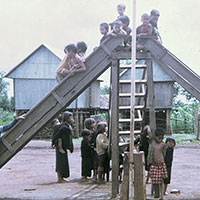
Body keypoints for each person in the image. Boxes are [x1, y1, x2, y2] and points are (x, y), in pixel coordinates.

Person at [52, 111, 74, 183]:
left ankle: (62, 177)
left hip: (63, 147)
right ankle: (59, 178)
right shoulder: (63, 127)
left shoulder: (66, 126)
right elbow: (57, 136)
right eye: (71, 117)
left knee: (64, 162)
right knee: (60, 162)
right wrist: (57, 144)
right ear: (67, 118)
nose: (72, 119)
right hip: (60, 147)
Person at [148, 127, 168, 199]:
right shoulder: (152, 145)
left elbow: (165, 153)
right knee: (155, 181)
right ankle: (156, 194)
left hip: (161, 164)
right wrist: (149, 164)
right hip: (154, 165)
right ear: (155, 137)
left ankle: (161, 195)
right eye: (159, 138)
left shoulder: (163, 145)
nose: (160, 139)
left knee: (161, 180)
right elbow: (150, 155)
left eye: (162, 138)